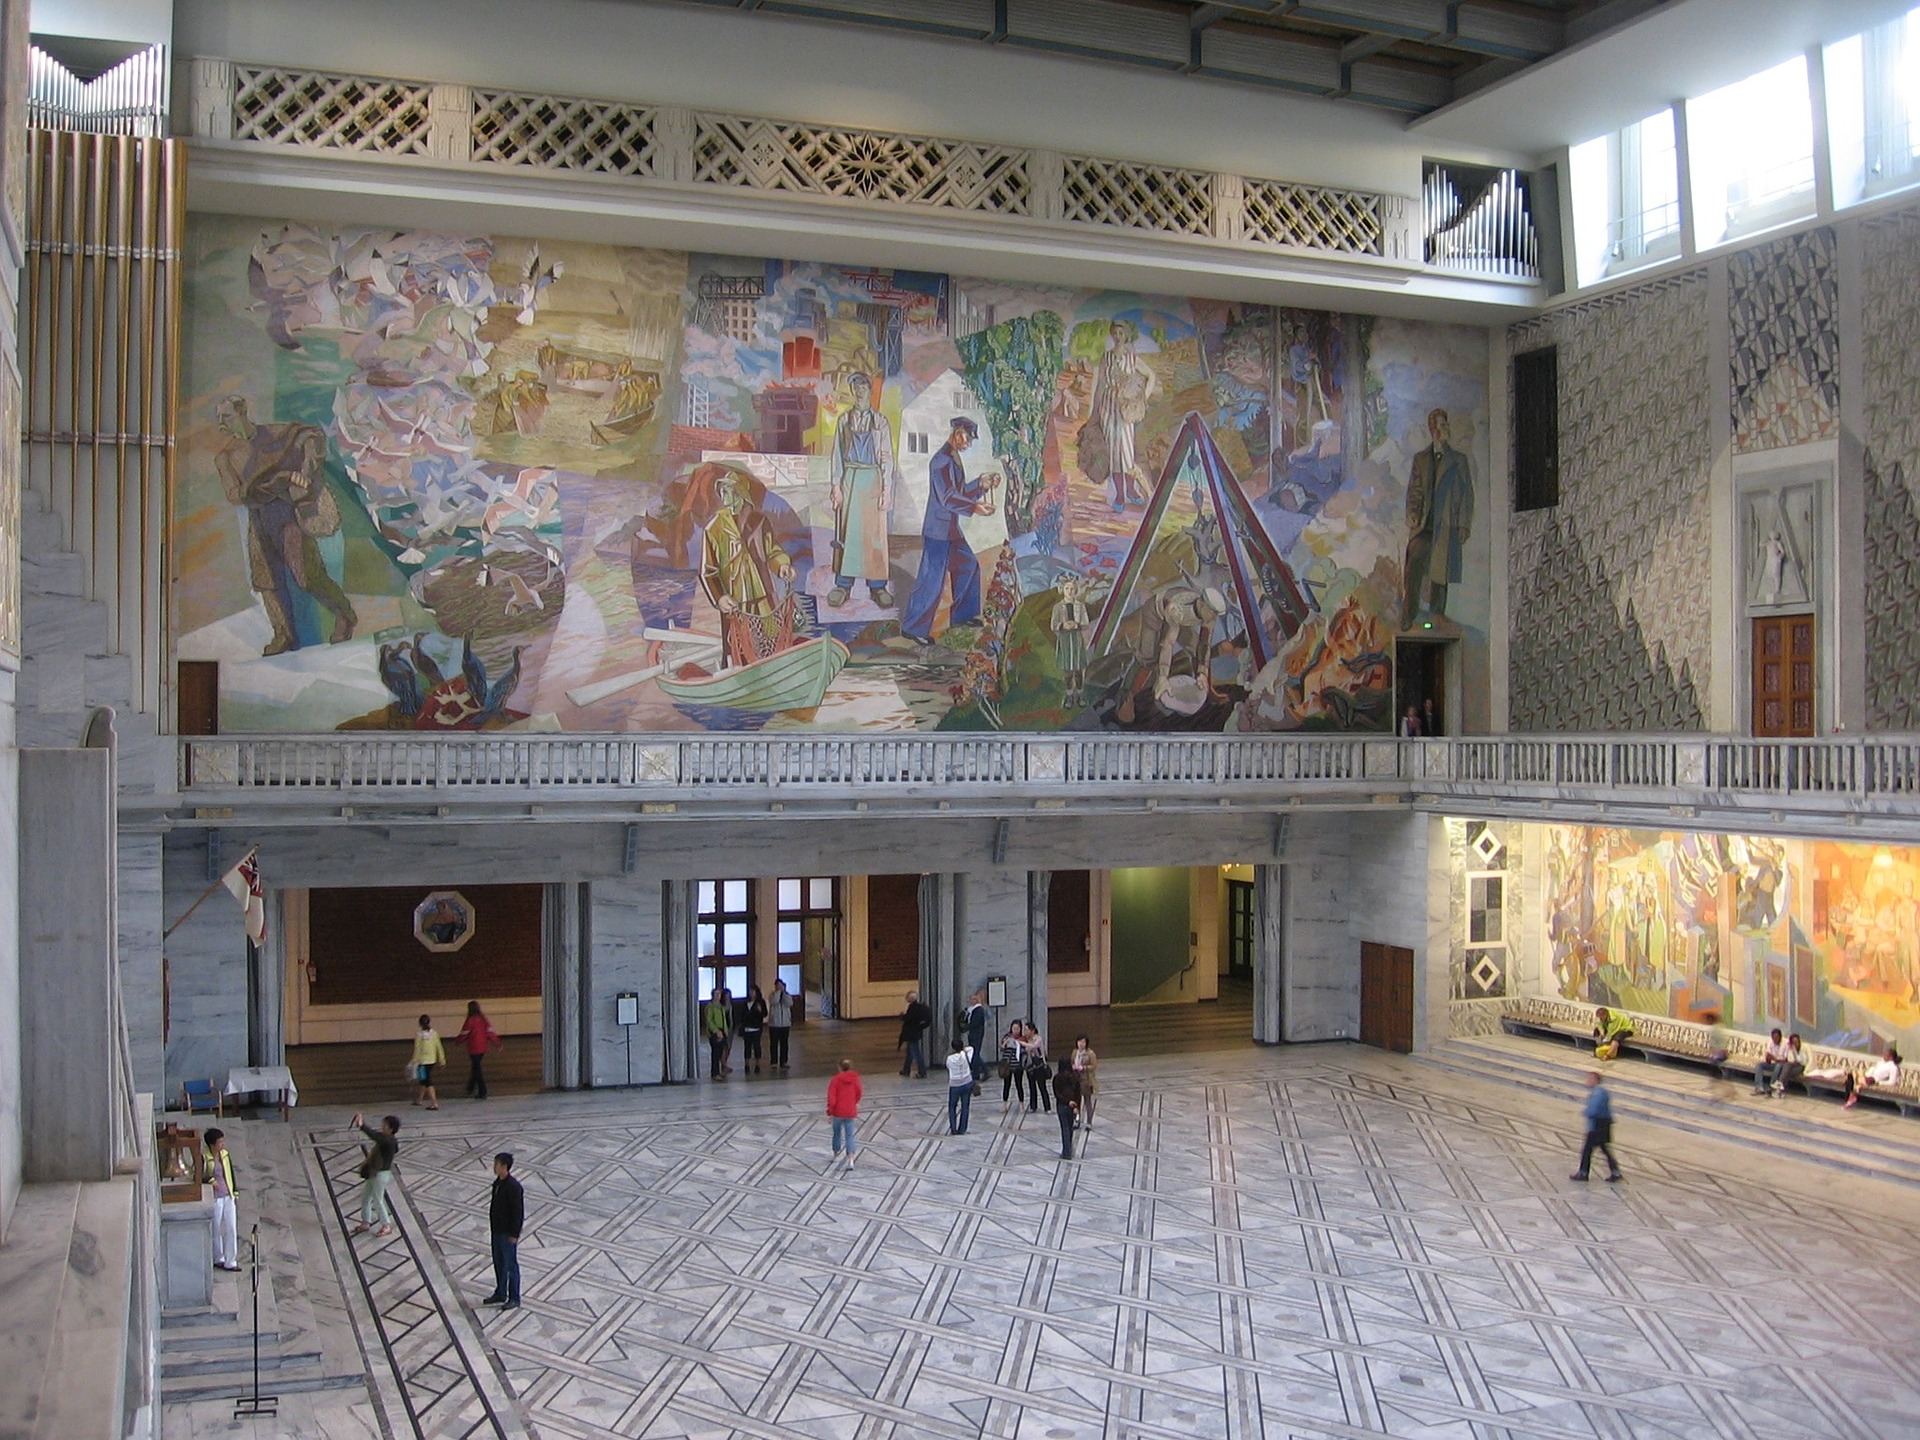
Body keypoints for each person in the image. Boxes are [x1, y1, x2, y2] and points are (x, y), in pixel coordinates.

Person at [212, 393, 357, 655]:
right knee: (267, 582)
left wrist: (306, 471)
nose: (221, 423)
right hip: (260, 521)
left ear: (242, 412)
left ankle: (344, 615)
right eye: (219, 417)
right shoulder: (226, 456)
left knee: (307, 575)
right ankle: (283, 635)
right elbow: (234, 495)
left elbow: (312, 436)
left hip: (289, 517)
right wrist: (272, 483)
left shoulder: (277, 434)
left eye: (227, 416)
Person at [901, 417, 999, 645]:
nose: (969, 444)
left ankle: (962, 616)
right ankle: (913, 627)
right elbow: (947, 497)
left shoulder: (953, 458)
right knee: (931, 581)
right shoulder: (941, 461)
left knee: (968, 566)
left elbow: (960, 492)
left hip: (950, 530)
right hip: (938, 531)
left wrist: (981, 484)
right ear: (957, 433)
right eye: (967, 439)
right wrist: (975, 507)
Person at [697, 465, 795, 668]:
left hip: (763, 592)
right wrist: (719, 597)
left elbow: (772, 551)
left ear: (739, 493)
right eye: (721, 490)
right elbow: (708, 570)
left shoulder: (759, 521)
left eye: (727, 490)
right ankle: (736, 675)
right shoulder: (714, 528)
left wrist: (782, 566)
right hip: (734, 599)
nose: (722, 495)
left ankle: (774, 672)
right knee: (736, 644)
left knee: (771, 636)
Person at [827, 372, 896, 608]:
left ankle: (877, 587)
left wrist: (887, 490)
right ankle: (842, 585)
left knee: (873, 536)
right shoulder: (844, 421)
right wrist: (836, 486)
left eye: (863, 386)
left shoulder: (880, 422)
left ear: (870, 390)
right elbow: (837, 455)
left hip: (873, 481)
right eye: (855, 387)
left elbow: (886, 456)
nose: (859, 391)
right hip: (850, 478)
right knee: (847, 533)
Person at [1401, 406, 1474, 626]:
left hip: (1447, 526)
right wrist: (1412, 514)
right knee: (1413, 566)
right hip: (1424, 527)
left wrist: (1463, 525)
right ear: (1434, 430)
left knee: (1441, 576)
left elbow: (1467, 495)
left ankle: (1437, 617)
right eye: (1442, 425)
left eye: (1447, 424)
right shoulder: (1421, 459)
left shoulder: (1458, 460)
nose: (1447, 429)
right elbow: (1414, 490)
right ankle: (1409, 614)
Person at [1087, 319, 1158, 509]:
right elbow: (1100, 385)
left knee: (1126, 453)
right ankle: (1119, 495)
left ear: (1126, 335)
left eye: (1121, 333)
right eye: (1115, 333)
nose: (1118, 337)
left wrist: (1141, 399)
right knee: (1113, 454)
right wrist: (1095, 411)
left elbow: (1151, 376)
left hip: (1126, 409)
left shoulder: (1132, 358)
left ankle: (1131, 490)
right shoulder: (1106, 357)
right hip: (1108, 408)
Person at [482, 1152, 524, 1309]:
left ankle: (514, 1297)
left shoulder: (513, 1187)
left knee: (510, 1265)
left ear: (504, 1166)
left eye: (496, 1164)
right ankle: (500, 1292)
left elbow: (517, 1212)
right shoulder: (498, 1183)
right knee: (499, 1263)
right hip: (497, 1230)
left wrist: (514, 1234)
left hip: (507, 1233)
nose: (494, 1167)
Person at [349, 1113, 401, 1237]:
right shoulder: (389, 1140)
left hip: (380, 1174)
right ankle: (365, 1222)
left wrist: (362, 1125)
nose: (382, 1126)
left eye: (385, 1125)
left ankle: (386, 1225)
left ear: (391, 1128)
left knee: (378, 1199)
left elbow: (374, 1136)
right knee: (366, 1197)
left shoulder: (388, 1141)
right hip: (375, 1172)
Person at [1569, 1072, 1622, 1182]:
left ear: (1595, 1080)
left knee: (1587, 1150)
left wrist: (1586, 1112)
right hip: (1603, 1124)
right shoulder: (1601, 1092)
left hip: (1597, 1125)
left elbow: (1594, 1110)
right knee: (1604, 1149)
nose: (1587, 1081)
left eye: (1589, 1079)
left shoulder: (1598, 1093)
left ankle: (1583, 1173)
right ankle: (1615, 1172)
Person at [1049, 573, 1090, 708]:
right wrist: (1063, 625)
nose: (1070, 591)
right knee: (1067, 671)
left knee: (1078, 669)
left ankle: (1080, 693)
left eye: (1072, 589)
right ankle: (1069, 695)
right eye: (1067, 588)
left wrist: (1077, 625)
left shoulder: (1080, 606)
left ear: (1076, 590)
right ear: (1062, 590)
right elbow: (1053, 624)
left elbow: (1085, 623)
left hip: (1076, 640)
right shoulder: (1058, 607)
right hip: (1065, 640)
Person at [204, 1128, 241, 1272]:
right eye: (219, 1142)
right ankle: (218, 1257)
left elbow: (230, 1172)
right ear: (212, 1145)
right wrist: (211, 1180)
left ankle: (231, 1260)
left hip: (228, 1195)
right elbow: (201, 1174)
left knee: (231, 1227)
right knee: (216, 1228)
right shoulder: (205, 1157)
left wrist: (235, 1191)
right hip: (216, 1198)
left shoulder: (225, 1155)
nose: (222, 1144)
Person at [455, 1000, 500, 1101]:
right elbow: (490, 1032)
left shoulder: (470, 1021)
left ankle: (482, 1091)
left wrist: (457, 1042)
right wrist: (497, 1043)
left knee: (477, 1069)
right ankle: (470, 1087)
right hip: (482, 1047)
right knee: (475, 1067)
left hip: (473, 1048)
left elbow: (464, 1034)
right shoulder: (483, 1019)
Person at [826, 1059, 862, 1167]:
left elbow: (832, 1098)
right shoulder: (855, 1079)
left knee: (837, 1133)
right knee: (850, 1135)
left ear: (840, 1068)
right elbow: (859, 1092)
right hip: (850, 1111)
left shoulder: (835, 1080)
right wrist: (854, 1102)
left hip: (838, 1111)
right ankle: (851, 1159)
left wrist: (830, 1112)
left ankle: (835, 1153)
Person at [412, 1014, 446, 1109]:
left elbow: (417, 1049)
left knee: (427, 1081)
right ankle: (419, 1099)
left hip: (422, 1062)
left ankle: (434, 1103)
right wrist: (442, 1060)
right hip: (432, 1061)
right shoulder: (434, 1033)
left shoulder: (419, 1035)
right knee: (423, 1079)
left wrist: (414, 1061)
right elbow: (439, 1047)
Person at [1051, 1056, 1082, 1160]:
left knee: (1065, 1128)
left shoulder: (1057, 1078)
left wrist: (1067, 1102)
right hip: (1073, 1105)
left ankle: (1066, 1151)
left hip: (1062, 1105)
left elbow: (1057, 1094)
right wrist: (1077, 1106)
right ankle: (1069, 1149)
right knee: (1070, 1128)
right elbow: (1078, 1093)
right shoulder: (1075, 1077)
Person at [898, 990, 932, 1078]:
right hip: (916, 1032)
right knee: (910, 1052)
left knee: (916, 1053)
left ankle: (922, 1071)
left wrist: (902, 1016)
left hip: (911, 1033)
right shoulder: (920, 1007)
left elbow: (909, 1019)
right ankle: (906, 1069)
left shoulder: (913, 1008)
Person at [946, 1041, 975, 1135]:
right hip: (966, 1082)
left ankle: (953, 1128)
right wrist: (963, 1050)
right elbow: (971, 1048)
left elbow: (948, 1067)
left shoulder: (949, 1058)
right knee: (965, 1107)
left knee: (952, 1106)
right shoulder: (965, 1055)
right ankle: (962, 1129)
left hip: (954, 1084)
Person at [964, 989, 990, 1093]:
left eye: (973, 999)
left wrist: (967, 1026)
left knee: (975, 1054)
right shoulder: (972, 1010)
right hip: (974, 1033)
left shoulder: (978, 1010)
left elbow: (975, 1023)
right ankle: (977, 1072)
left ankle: (983, 1071)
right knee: (974, 1053)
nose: (971, 1001)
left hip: (976, 1034)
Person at [1023, 1023, 1053, 1113]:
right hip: (1030, 1065)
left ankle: (1047, 1107)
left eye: (1027, 1030)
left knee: (1042, 1086)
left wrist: (1022, 1043)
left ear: (1032, 1030)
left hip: (1039, 1065)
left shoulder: (1038, 1039)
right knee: (1031, 1086)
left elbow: (1033, 1046)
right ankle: (1033, 1106)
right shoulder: (1026, 1039)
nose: (1025, 1032)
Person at [703, 988, 732, 1079]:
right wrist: (716, 1031)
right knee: (715, 1053)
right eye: (716, 994)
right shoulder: (710, 1007)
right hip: (715, 1032)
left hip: (722, 1031)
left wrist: (725, 1031)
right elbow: (709, 1020)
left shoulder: (720, 1007)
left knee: (720, 1052)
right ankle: (715, 1073)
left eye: (719, 994)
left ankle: (719, 1071)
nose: (718, 996)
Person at [1071, 1035, 1099, 1128]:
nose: (1081, 1044)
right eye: (1079, 1042)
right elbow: (1071, 1062)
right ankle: (1077, 1119)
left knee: (1087, 1101)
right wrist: (1073, 1067)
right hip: (1076, 1078)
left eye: (1083, 1042)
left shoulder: (1090, 1053)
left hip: (1086, 1079)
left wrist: (1084, 1068)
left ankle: (1089, 1122)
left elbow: (1094, 1066)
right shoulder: (1075, 1052)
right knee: (1076, 1101)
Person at [1754, 1028, 1791, 1096]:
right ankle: (1759, 1087)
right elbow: (1768, 1055)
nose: (1775, 1039)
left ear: (1780, 1037)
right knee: (1759, 1065)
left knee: (1778, 1065)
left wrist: (1775, 1059)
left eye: (1776, 1037)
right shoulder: (1771, 1042)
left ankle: (1772, 1086)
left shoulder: (1786, 1043)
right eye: (1773, 1038)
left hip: (1781, 1065)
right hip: (1772, 1063)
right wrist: (1769, 1058)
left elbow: (1785, 1059)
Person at [740, 985, 769, 1074]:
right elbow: (741, 1015)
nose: (751, 993)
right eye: (750, 992)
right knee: (747, 1047)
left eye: (753, 991)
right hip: (747, 1028)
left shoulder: (760, 1002)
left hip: (756, 1028)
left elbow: (765, 1014)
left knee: (756, 1046)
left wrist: (760, 1011)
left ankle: (757, 1064)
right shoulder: (745, 1002)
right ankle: (747, 1064)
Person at [1000, 1020, 1027, 1108]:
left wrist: (1020, 1044)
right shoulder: (1007, 1037)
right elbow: (1001, 1048)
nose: (1015, 1030)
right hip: (1007, 1065)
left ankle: (1021, 1104)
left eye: (1017, 1029)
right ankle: (1004, 1104)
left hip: (1017, 1065)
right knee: (1006, 1085)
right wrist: (1005, 1043)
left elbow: (1025, 1051)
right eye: (1014, 1028)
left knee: (1019, 1084)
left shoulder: (1022, 1039)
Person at [768, 978, 793, 1070]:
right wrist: (778, 992)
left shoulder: (787, 995)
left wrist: (784, 993)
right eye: (777, 985)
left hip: (785, 1024)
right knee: (774, 1044)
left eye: (781, 985)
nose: (779, 987)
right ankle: (774, 1062)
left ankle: (784, 1061)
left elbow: (789, 1003)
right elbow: (774, 1002)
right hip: (774, 1024)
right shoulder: (772, 995)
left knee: (784, 1044)